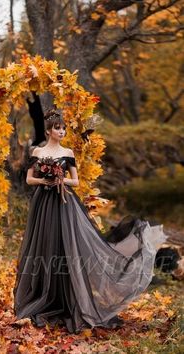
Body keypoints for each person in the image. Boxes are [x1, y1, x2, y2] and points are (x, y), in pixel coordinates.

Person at [13, 109, 167, 334]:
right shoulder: (38, 151)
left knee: (66, 247)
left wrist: (60, 178)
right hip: (43, 203)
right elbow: (29, 178)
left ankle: (67, 299)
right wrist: (46, 180)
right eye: (58, 128)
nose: (62, 131)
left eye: (63, 128)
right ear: (48, 130)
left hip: (64, 203)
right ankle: (44, 296)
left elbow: (75, 181)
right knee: (44, 245)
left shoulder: (68, 152)